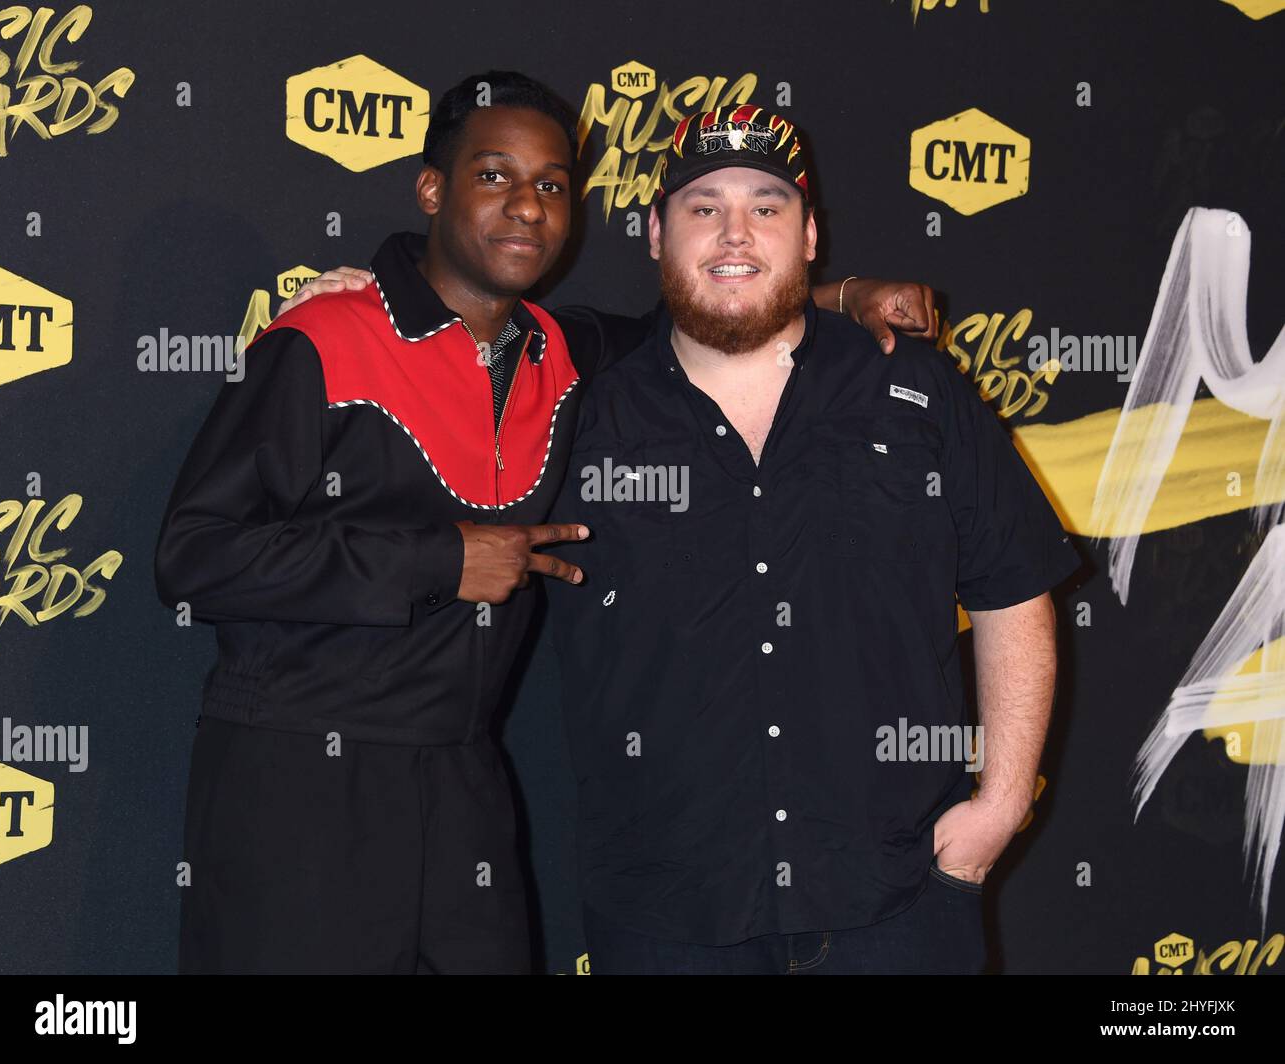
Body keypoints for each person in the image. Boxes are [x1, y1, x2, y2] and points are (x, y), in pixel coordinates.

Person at [156, 73, 936, 974]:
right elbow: (194, 554)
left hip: (464, 786)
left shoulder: (561, 351)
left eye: (553, 185)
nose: (527, 206)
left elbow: (696, 313)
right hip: (293, 782)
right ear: (432, 189)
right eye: (494, 176)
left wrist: (844, 295)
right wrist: (439, 561)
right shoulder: (325, 341)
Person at [544, 107, 1082, 974]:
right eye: (702, 206)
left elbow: (1012, 588)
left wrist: (1003, 804)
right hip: (665, 913)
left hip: (898, 901)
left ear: (810, 236)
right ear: (654, 233)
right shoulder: (577, 407)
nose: (734, 232)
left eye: (766, 207)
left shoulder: (911, 384)